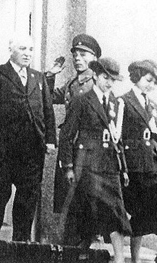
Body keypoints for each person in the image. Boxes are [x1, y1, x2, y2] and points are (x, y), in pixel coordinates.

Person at [58, 57, 133, 263]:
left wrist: (124, 169)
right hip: (87, 166)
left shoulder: (116, 106)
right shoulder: (82, 101)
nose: (109, 83)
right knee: (91, 212)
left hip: (109, 166)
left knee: (116, 212)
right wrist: (68, 166)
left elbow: (117, 141)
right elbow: (67, 136)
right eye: (105, 78)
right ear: (96, 76)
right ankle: (82, 258)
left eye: (113, 80)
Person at [0, 34, 56, 241]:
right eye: (22, 49)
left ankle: (22, 242)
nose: (27, 54)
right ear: (11, 50)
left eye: (30, 49)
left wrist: (50, 139)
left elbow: (47, 110)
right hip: (1, 148)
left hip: (31, 149)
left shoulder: (38, 78)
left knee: (28, 196)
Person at [46, 34, 102, 245]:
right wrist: (51, 75)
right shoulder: (72, 83)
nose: (77, 58)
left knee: (84, 202)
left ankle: (83, 249)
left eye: (83, 54)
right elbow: (48, 97)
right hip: (71, 148)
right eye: (75, 54)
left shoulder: (94, 83)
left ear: (94, 57)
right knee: (72, 203)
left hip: (87, 151)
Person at [118, 60, 157, 263]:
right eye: (147, 80)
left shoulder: (153, 106)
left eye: (154, 83)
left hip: (153, 164)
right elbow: (118, 136)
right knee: (139, 213)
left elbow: (156, 136)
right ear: (136, 77)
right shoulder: (123, 102)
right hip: (134, 166)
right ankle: (135, 260)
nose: (150, 85)